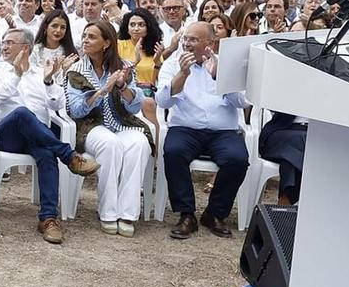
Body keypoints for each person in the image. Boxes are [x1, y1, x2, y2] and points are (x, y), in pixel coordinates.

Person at [0, 28, 99, 245]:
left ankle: (48, 218)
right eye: (3, 43)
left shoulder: (40, 73)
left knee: (46, 153)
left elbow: (58, 106)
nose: (3, 47)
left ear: (25, 48)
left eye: (9, 42)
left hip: (38, 137)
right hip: (7, 136)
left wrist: (50, 81)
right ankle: (69, 155)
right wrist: (16, 74)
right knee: (23, 114)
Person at [159, 21, 250, 239]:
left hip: (223, 132)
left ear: (209, 43)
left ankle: (215, 213)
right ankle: (186, 214)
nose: (187, 44)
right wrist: (182, 74)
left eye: (193, 39)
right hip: (185, 128)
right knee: (173, 152)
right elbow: (163, 101)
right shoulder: (173, 64)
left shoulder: (227, 65)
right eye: (185, 39)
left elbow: (243, 102)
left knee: (237, 159)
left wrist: (221, 77)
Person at [65, 19, 152, 235]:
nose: (85, 40)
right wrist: (101, 91)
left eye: (91, 37)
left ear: (106, 43)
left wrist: (122, 86)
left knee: (139, 143)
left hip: (121, 123)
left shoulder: (122, 66)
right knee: (110, 143)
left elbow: (134, 106)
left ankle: (128, 213)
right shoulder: (77, 70)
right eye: (84, 35)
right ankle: (108, 212)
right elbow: (75, 110)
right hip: (90, 127)